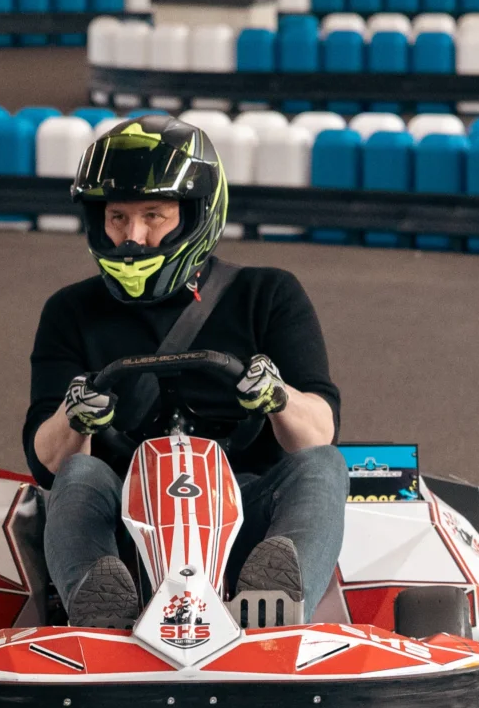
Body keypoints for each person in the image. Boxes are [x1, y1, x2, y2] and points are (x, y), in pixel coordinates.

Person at [24, 115, 347, 629]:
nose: (133, 238)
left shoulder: (268, 294)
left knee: (324, 465)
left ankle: (275, 607)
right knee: (79, 473)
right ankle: (99, 611)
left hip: (245, 520)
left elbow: (319, 432)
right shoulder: (70, 311)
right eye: (117, 217)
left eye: (153, 216)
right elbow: (45, 461)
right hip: (123, 529)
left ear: (196, 214)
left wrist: (277, 397)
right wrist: (75, 416)